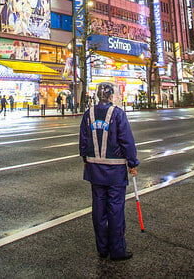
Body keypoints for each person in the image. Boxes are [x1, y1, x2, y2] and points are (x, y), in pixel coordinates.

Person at [79, 82, 139, 262]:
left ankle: (102, 249)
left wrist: (85, 159)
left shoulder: (88, 114)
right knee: (115, 209)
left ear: (97, 96)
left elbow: (83, 140)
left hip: (94, 169)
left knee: (98, 209)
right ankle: (117, 250)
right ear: (111, 96)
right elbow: (126, 140)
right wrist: (132, 163)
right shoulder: (118, 114)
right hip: (115, 171)